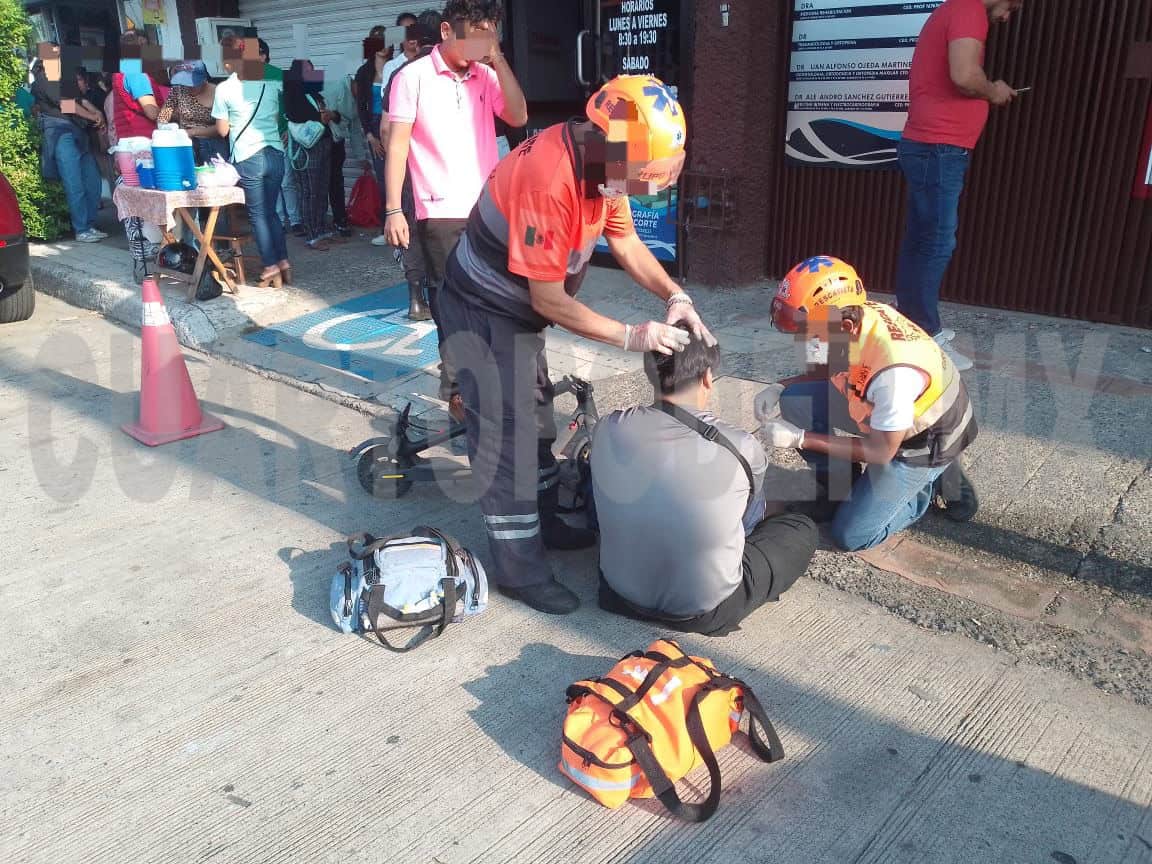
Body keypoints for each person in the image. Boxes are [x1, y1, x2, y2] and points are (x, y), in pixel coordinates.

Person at [436, 73, 712, 615]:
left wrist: (675, 296)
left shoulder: (605, 167)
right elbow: (549, 300)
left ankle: (543, 521)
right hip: (483, 307)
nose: (641, 185)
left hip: (516, 309)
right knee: (506, 434)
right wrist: (632, 335)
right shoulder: (550, 180)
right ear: (611, 143)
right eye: (643, 173)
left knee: (535, 410)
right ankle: (519, 570)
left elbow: (626, 242)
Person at [593, 327, 819, 636]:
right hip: (702, 611)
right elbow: (747, 523)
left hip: (617, 593)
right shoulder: (740, 446)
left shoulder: (608, 426)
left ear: (649, 373)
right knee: (800, 528)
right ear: (708, 377)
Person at [755, 256, 980, 554]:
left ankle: (931, 481)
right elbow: (825, 365)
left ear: (845, 325)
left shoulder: (894, 372)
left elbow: (880, 450)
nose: (803, 338)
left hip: (925, 438)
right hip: (883, 411)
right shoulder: (848, 318)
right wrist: (780, 386)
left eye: (807, 330)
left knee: (852, 534)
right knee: (796, 400)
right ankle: (840, 487)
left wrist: (801, 438)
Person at [385, 0, 528, 404]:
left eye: (487, 37)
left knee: (496, 296)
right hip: (440, 210)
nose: (479, 47)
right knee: (451, 302)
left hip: (488, 209)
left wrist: (497, 58)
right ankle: (456, 393)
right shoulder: (412, 77)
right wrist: (393, 209)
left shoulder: (486, 74)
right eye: (473, 37)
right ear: (447, 31)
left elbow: (518, 116)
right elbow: (397, 146)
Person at [895, 0, 1024, 372]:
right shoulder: (969, 9)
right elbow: (965, 76)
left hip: (932, 147)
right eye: (1011, 6)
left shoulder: (953, 9)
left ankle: (909, 321)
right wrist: (994, 90)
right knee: (936, 241)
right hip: (939, 148)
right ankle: (925, 335)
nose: (1006, 17)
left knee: (921, 238)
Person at [213, 35, 290, 288]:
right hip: (275, 153)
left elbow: (222, 130)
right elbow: (277, 117)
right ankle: (283, 262)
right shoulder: (271, 84)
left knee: (257, 215)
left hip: (248, 156)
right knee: (271, 212)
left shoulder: (225, 89)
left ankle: (270, 266)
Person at [379, 10, 440, 323]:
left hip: (407, 168)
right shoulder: (452, 73)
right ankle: (441, 295)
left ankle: (416, 300)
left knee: (412, 232)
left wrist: (397, 160)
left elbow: (385, 130)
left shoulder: (400, 74)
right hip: (441, 169)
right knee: (441, 229)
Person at [30, 48, 106, 243]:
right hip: (61, 134)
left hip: (77, 133)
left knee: (92, 181)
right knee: (74, 183)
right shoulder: (44, 78)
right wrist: (92, 116)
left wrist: (96, 112)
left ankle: (89, 224)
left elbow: (79, 100)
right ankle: (82, 229)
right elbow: (66, 104)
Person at [284, 59, 336, 251]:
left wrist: (330, 115)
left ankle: (321, 229)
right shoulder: (292, 92)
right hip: (307, 148)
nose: (311, 72)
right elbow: (294, 115)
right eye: (306, 70)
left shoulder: (315, 93)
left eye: (312, 69)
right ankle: (312, 235)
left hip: (324, 143)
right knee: (309, 192)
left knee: (322, 189)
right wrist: (319, 117)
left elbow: (329, 114)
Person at [354, 25, 394, 247]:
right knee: (384, 179)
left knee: (403, 176)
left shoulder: (397, 66)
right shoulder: (364, 72)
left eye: (386, 41)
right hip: (375, 126)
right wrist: (370, 135)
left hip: (396, 123)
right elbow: (360, 107)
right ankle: (386, 227)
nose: (382, 46)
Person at [259, 39, 302, 237]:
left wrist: (287, 127)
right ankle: (278, 220)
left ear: (265, 55)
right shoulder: (241, 78)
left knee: (286, 180)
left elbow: (288, 104)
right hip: (258, 137)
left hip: (281, 133)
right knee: (271, 181)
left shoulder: (278, 75)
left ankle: (295, 220)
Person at [158, 60, 227, 165]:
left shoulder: (218, 92)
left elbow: (221, 128)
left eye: (193, 84)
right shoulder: (178, 89)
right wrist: (166, 128)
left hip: (211, 144)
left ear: (204, 79)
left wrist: (193, 132)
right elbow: (163, 116)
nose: (189, 87)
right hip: (185, 142)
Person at [322, 68, 355, 237]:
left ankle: (339, 219)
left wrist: (361, 157)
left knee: (336, 181)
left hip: (336, 141)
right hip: (321, 138)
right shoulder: (336, 86)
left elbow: (354, 126)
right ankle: (321, 221)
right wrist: (333, 115)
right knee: (322, 182)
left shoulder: (355, 96)